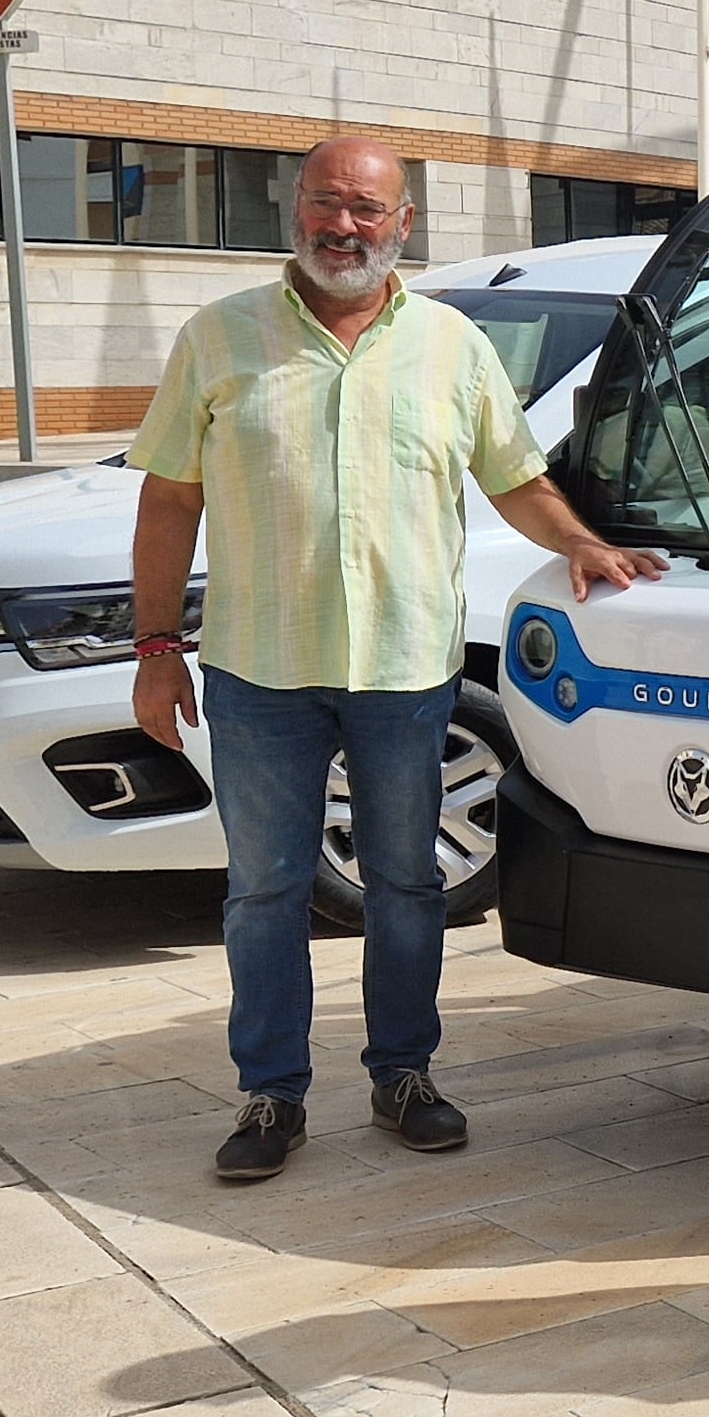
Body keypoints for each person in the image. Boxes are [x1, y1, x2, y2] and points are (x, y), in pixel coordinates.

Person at [128, 138, 662, 1182]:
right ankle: (271, 1093)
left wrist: (582, 543)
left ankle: (403, 1073)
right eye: (328, 204)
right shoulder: (219, 336)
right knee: (266, 890)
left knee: (408, 883)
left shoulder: (454, 346)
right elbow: (168, 498)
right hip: (259, 671)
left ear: (403, 223)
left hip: (406, 667)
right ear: (296, 211)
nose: (346, 226)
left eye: (368, 209)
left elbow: (513, 476)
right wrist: (156, 651)